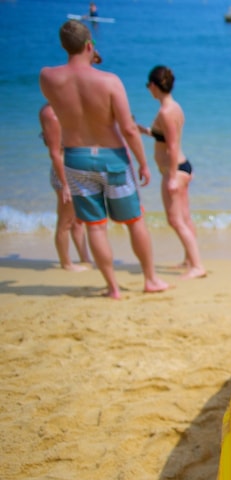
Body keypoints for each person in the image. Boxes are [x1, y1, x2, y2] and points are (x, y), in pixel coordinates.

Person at [39, 20, 168, 299]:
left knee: (96, 226)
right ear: (90, 45)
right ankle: (151, 279)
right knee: (135, 221)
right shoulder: (109, 81)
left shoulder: (47, 77)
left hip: (76, 158)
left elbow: (64, 98)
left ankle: (113, 288)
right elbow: (128, 128)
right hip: (112, 159)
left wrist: (83, 60)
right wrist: (143, 163)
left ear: (64, 46)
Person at [137, 65, 205, 279]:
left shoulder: (165, 112)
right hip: (181, 167)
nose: (148, 89)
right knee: (184, 217)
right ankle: (189, 260)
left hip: (174, 170)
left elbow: (173, 145)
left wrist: (173, 178)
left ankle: (197, 266)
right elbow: (164, 137)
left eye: (148, 85)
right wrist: (144, 130)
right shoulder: (174, 107)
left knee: (175, 220)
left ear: (155, 86)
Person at [40, 103, 91, 271]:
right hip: (64, 171)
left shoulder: (65, 108)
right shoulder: (50, 113)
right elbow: (54, 153)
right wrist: (66, 184)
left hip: (72, 168)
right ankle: (66, 263)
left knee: (77, 220)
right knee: (65, 221)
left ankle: (85, 259)